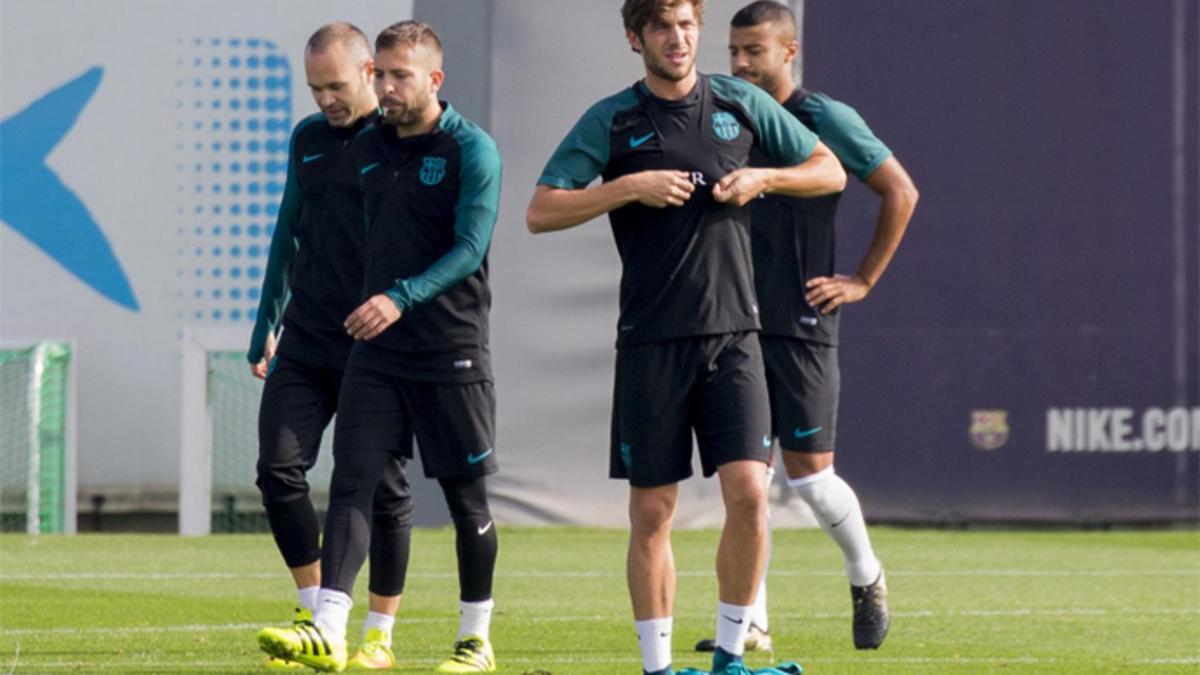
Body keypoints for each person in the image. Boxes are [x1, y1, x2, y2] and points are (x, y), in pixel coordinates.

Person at [526, 1, 846, 672]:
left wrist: (766, 175)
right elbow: (542, 209)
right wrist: (628, 186)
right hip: (652, 339)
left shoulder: (737, 102)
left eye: (688, 25)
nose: (679, 39)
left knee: (751, 493)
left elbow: (829, 170)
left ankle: (731, 654)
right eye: (663, 27)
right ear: (634, 36)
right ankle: (658, 666)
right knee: (652, 511)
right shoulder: (612, 120)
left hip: (736, 336)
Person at [257, 20, 503, 674]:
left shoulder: (470, 150)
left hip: (451, 348)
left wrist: (400, 294)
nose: (387, 88)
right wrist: (278, 319)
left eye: (399, 76)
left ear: (433, 79)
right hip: (375, 351)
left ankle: (474, 637)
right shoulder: (368, 147)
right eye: (383, 75)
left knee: (464, 500)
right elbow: (312, 232)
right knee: (351, 480)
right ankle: (329, 626)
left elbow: (470, 250)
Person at [694, 0, 919, 652]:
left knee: (812, 479)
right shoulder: (725, 112)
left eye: (753, 52)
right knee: (747, 480)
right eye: (733, 52)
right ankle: (750, 622)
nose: (739, 64)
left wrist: (863, 279)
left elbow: (901, 190)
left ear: (788, 52)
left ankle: (865, 571)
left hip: (801, 319)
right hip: (736, 320)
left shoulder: (823, 118)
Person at [247, 22, 412, 671]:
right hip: (308, 336)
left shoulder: (397, 142)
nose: (325, 101)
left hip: (375, 341)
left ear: (370, 73)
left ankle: (379, 631)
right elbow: (289, 230)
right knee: (278, 470)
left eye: (336, 87)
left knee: (386, 491)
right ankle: (318, 611)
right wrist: (266, 319)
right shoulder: (308, 140)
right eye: (315, 89)